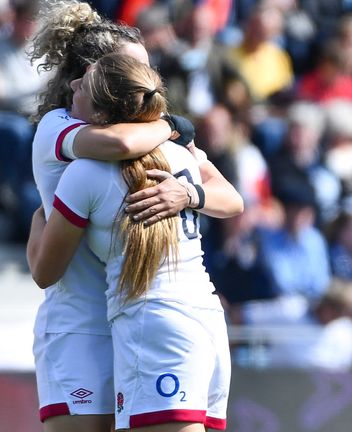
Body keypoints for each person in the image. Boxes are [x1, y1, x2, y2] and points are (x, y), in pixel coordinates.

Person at [27, 1, 242, 431]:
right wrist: (171, 125)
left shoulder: (104, 165)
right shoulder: (60, 126)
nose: (149, 86)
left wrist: (188, 192)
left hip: (143, 317)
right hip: (87, 322)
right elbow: (122, 144)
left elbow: (229, 198)